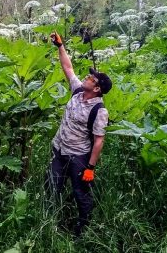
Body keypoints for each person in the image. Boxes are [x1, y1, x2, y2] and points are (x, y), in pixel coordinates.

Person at [45, 32, 112, 237]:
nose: (86, 77)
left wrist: (90, 168)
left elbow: (99, 141)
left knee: (80, 193)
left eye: (91, 78)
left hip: (78, 157)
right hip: (59, 149)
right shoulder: (77, 91)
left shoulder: (99, 111)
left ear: (97, 88)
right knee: (51, 187)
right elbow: (68, 67)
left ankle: (82, 230)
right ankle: (48, 223)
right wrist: (60, 46)